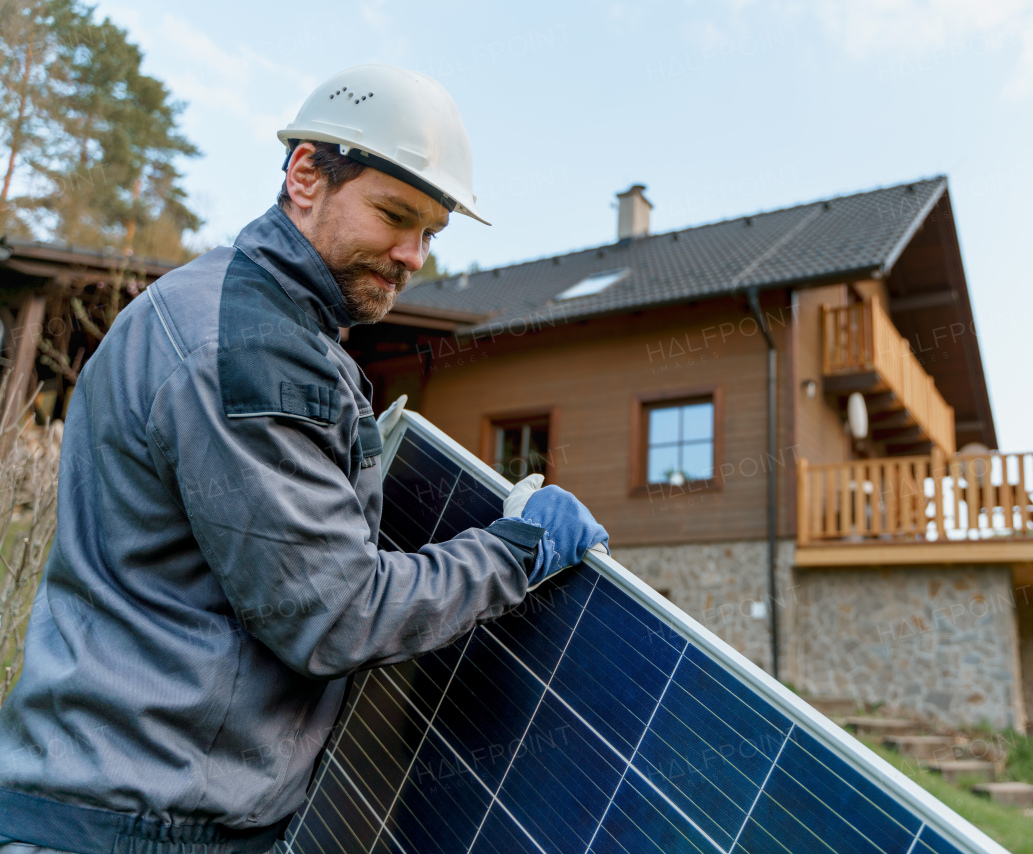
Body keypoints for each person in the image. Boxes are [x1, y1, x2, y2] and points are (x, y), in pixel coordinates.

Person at [0, 64, 607, 854]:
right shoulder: (252, 351)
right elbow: (336, 614)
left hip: (105, 801)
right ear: (306, 176)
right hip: (145, 824)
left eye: (431, 232)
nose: (414, 253)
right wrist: (516, 552)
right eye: (395, 216)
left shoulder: (208, 306)